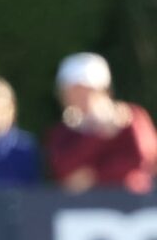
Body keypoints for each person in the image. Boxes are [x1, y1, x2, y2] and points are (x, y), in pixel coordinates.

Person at [46, 52, 157, 194]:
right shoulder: (62, 132)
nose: (79, 96)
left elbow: (144, 160)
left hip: (134, 203)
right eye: (73, 90)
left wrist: (95, 176)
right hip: (85, 206)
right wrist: (101, 136)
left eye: (86, 89)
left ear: (103, 90)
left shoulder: (130, 117)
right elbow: (62, 170)